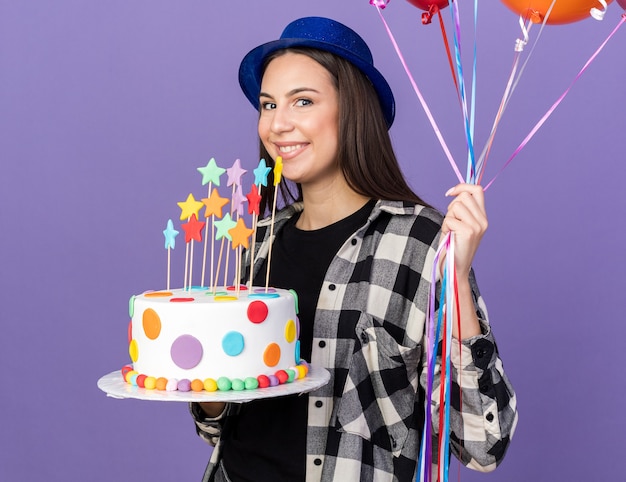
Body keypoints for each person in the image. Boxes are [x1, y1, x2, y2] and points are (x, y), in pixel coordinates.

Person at [189, 16, 517, 482]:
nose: (278, 124)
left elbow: (483, 446)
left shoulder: (420, 241)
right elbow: (220, 424)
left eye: (302, 101)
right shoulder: (257, 242)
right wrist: (209, 388)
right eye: (268, 105)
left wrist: (457, 278)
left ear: (353, 110)